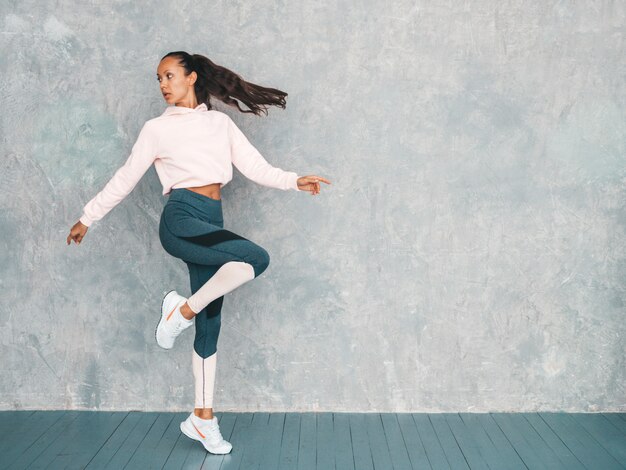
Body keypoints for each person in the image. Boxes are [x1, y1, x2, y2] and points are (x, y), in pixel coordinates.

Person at [66, 51, 330, 455]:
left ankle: (202, 419)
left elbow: (257, 168)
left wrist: (295, 181)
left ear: (191, 77)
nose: (163, 85)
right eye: (158, 79)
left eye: (169, 75)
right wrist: (89, 216)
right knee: (255, 258)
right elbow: (126, 176)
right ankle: (180, 312)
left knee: (210, 325)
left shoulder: (219, 123)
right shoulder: (156, 129)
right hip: (181, 220)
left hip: (212, 219)